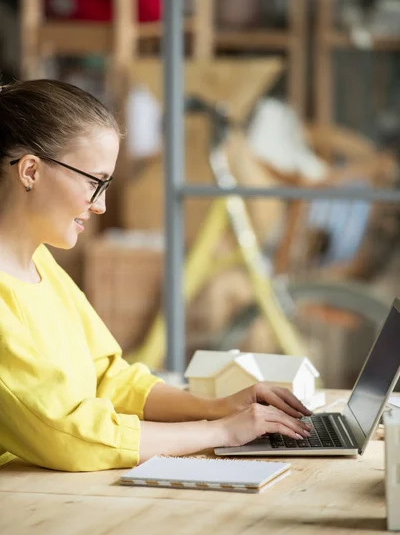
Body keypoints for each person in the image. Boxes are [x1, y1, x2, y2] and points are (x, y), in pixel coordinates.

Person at [0, 79, 312, 473]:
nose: (101, 206)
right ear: (30, 171)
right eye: (94, 182)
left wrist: (218, 406)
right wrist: (218, 431)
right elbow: (67, 434)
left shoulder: (40, 263)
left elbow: (108, 379)